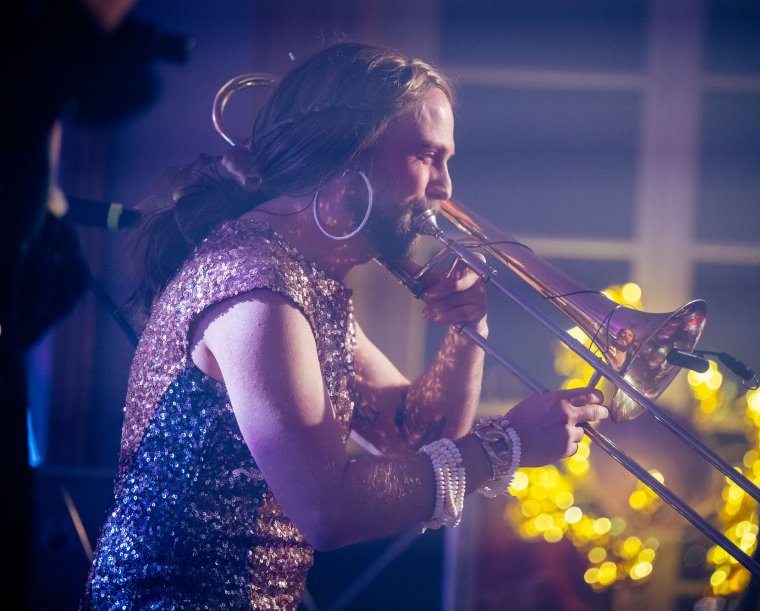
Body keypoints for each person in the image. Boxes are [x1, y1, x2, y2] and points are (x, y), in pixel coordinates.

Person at [81, 42, 608, 608]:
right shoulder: (256, 288)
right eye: (427, 155)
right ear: (348, 156)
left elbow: (415, 437)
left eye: (446, 160)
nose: (445, 188)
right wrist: (505, 445)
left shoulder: (303, 280)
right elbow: (327, 511)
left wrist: (467, 330)